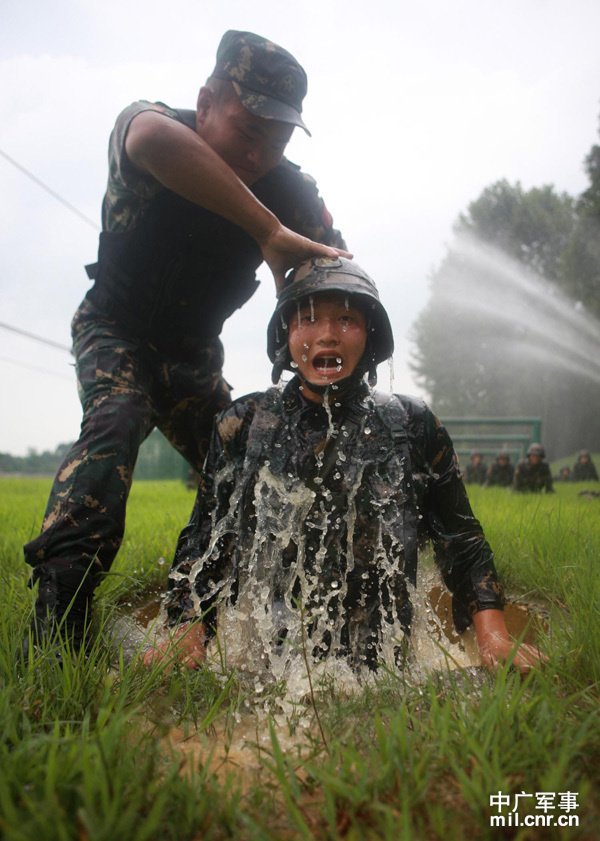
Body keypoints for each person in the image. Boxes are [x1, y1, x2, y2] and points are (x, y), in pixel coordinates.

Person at [22, 30, 351, 658]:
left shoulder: (291, 192)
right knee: (114, 423)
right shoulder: (156, 133)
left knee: (248, 469)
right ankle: (58, 620)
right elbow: (146, 136)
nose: (258, 156)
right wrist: (266, 229)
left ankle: (246, 605)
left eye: (275, 142)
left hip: (195, 359)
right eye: (246, 132)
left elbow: (338, 271)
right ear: (205, 104)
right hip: (116, 331)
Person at [148, 257, 544, 675]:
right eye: (308, 319)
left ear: (370, 335)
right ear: (287, 333)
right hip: (269, 660)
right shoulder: (243, 424)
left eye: (346, 319)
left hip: (382, 659)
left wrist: (494, 637)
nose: (326, 336)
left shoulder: (411, 425)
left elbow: (460, 538)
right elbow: (206, 539)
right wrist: (184, 629)